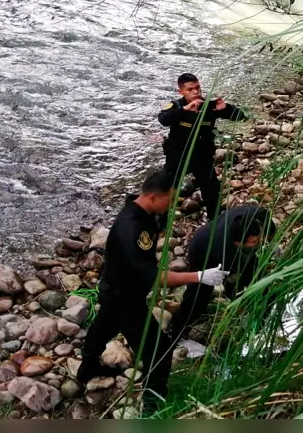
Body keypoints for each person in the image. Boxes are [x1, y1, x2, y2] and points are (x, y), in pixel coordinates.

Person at [77, 168, 230, 409]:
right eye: (170, 200)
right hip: (125, 297)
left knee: (104, 326)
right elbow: (155, 277)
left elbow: (155, 224)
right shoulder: (131, 228)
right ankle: (152, 404)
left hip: (117, 288)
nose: (172, 206)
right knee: (158, 350)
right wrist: (199, 276)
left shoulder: (143, 210)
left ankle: (86, 369)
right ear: (153, 196)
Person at [169, 205, 278, 341]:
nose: (260, 242)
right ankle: (175, 329)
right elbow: (233, 287)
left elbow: (267, 220)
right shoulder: (227, 254)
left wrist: (271, 240)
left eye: (261, 237)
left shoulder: (257, 215)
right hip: (203, 251)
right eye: (255, 242)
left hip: (225, 238)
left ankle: (269, 307)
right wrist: (243, 309)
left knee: (259, 276)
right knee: (198, 296)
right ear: (238, 243)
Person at [158, 73, 248, 220]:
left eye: (197, 88)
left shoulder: (209, 106)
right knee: (164, 191)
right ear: (181, 91)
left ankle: (214, 223)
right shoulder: (177, 106)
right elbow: (163, 119)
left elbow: (240, 116)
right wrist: (184, 111)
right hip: (178, 158)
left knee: (212, 193)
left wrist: (225, 108)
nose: (195, 92)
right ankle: (160, 223)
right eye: (190, 89)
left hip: (202, 158)